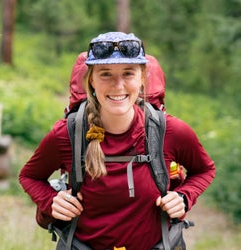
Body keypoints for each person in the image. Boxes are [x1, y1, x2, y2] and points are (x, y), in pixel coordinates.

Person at [19, 32, 215, 250]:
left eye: (128, 73)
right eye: (106, 74)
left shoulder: (170, 131)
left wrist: (183, 197)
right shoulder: (68, 133)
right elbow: (29, 176)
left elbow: (205, 170)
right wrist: (51, 201)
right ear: (91, 80)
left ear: (142, 79)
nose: (118, 85)